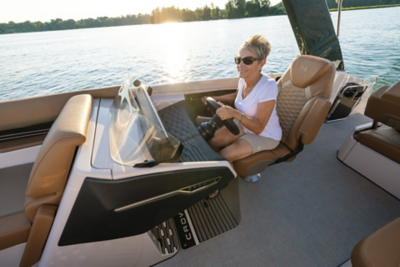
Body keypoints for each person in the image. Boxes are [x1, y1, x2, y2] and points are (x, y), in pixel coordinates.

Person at [202, 35, 282, 198]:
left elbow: (259, 126)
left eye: (247, 61)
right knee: (213, 141)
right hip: (245, 124)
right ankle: (216, 172)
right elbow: (237, 97)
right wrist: (217, 99)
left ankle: (219, 183)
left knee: (224, 155)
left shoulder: (268, 86)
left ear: (261, 63)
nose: (240, 65)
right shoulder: (243, 79)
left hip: (265, 134)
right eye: (238, 59)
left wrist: (235, 114)